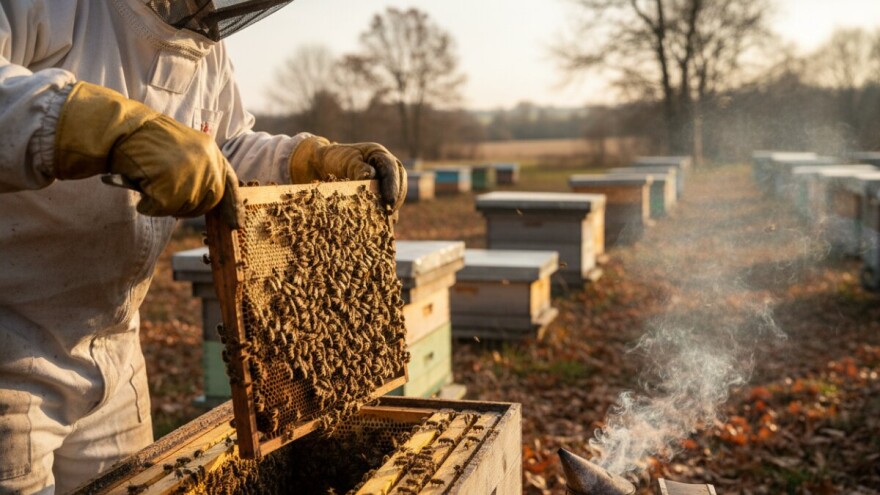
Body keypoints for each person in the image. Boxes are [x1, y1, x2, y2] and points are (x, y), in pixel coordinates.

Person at [0, 1, 406, 493]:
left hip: (116, 349)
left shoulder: (206, 47)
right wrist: (95, 127)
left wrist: (305, 160)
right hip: (11, 358)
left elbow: (224, 148)